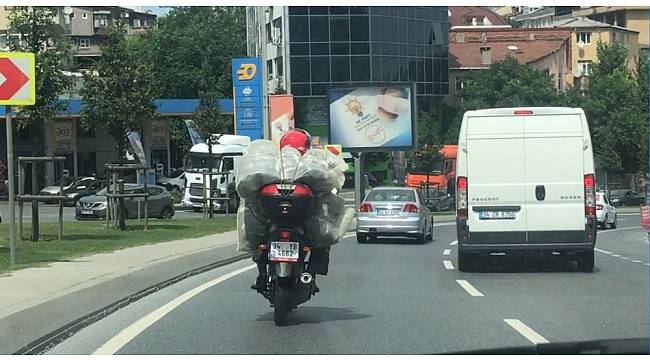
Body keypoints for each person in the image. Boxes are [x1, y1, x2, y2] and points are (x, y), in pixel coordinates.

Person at [251, 128, 331, 292]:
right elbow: (324, 183)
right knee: (321, 241)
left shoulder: (274, 161)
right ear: (306, 145)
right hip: (299, 219)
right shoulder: (310, 162)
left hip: (273, 217)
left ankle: (261, 273)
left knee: (259, 239)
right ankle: (310, 273)